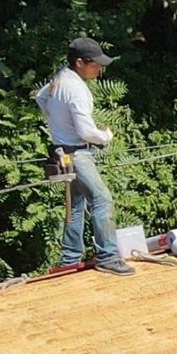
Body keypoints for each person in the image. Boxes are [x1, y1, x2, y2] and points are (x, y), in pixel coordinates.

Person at [35, 36, 132, 276]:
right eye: (95, 64)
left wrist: (56, 123)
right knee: (102, 199)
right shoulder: (76, 88)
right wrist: (105, 136)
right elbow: (86, 131)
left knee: (76, 206)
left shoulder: (61, 78)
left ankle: (69, 259)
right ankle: (108, 257)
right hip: (77, 154)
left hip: (62, 154)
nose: (99, 69)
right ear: (80, 62)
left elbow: (40, 97)